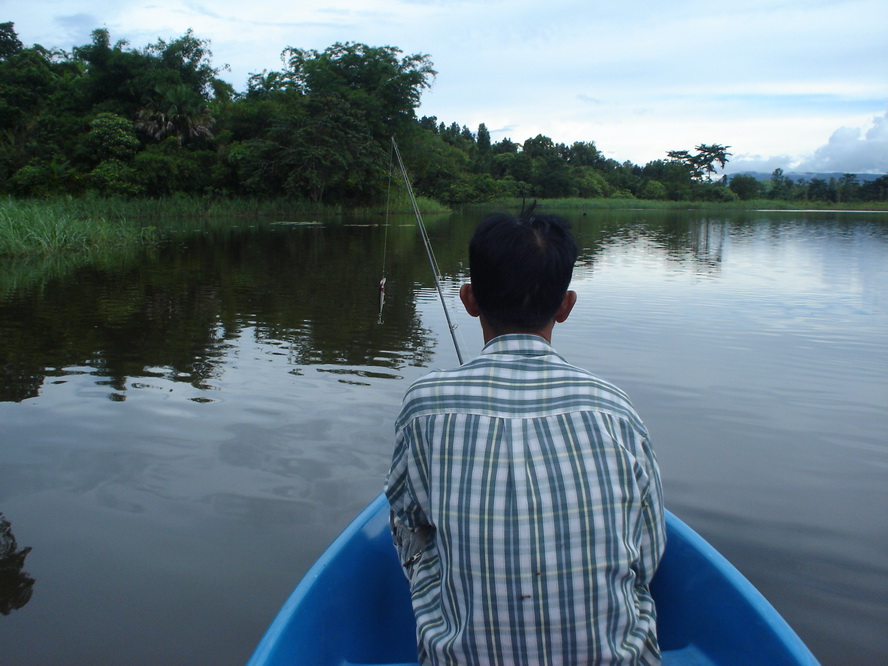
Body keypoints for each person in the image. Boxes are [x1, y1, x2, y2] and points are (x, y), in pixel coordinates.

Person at [385, 208, 665, 665]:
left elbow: (409, 525)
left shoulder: (425, 404)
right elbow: (647, 556)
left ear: (469, 299)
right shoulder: (616, 407)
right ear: (565, 305)